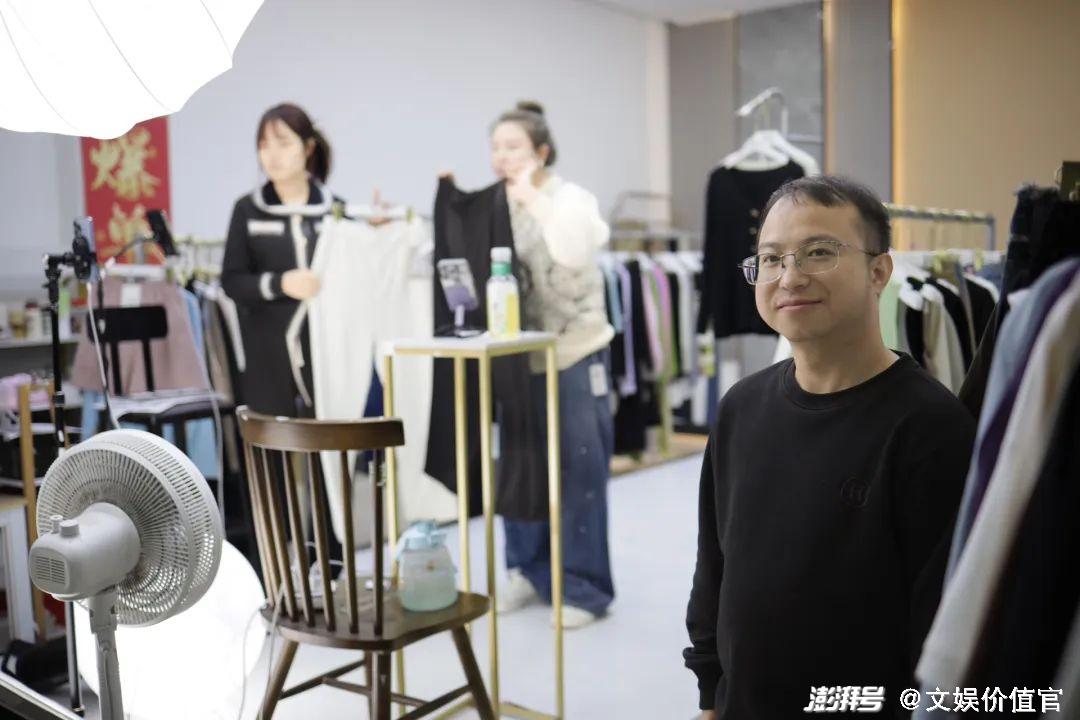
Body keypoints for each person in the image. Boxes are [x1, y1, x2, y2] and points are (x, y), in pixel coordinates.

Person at [683, 176, 976, 718]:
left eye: (818, 252)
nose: (790, 276)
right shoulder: (740, 407)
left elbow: (944, 629)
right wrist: (710, 692)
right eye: (771, 259)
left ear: (879, 271)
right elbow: (715, 565)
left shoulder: (931, 428)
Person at [491, 101, 616, 629]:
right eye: (496, 148)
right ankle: (527, 568)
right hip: (518, 361)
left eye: (513, 147)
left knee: (580, 468)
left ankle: (585, 588)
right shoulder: (495, 205)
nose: (502, 157)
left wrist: (534, 201)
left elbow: (572, 252)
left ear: (542, 152)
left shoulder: (571, 200)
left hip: (575, 353)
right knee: (520, 465)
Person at [221, 102, 340, 418]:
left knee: (328, 439)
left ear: (308, 147)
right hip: (266, 356)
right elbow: (232, 281)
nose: (272, 155)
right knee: (273, 441)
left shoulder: (335, 211)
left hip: (326, 355)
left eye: (284, 143)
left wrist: (374, 231)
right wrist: (281, 283)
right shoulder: (247, 210)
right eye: (264, 145)